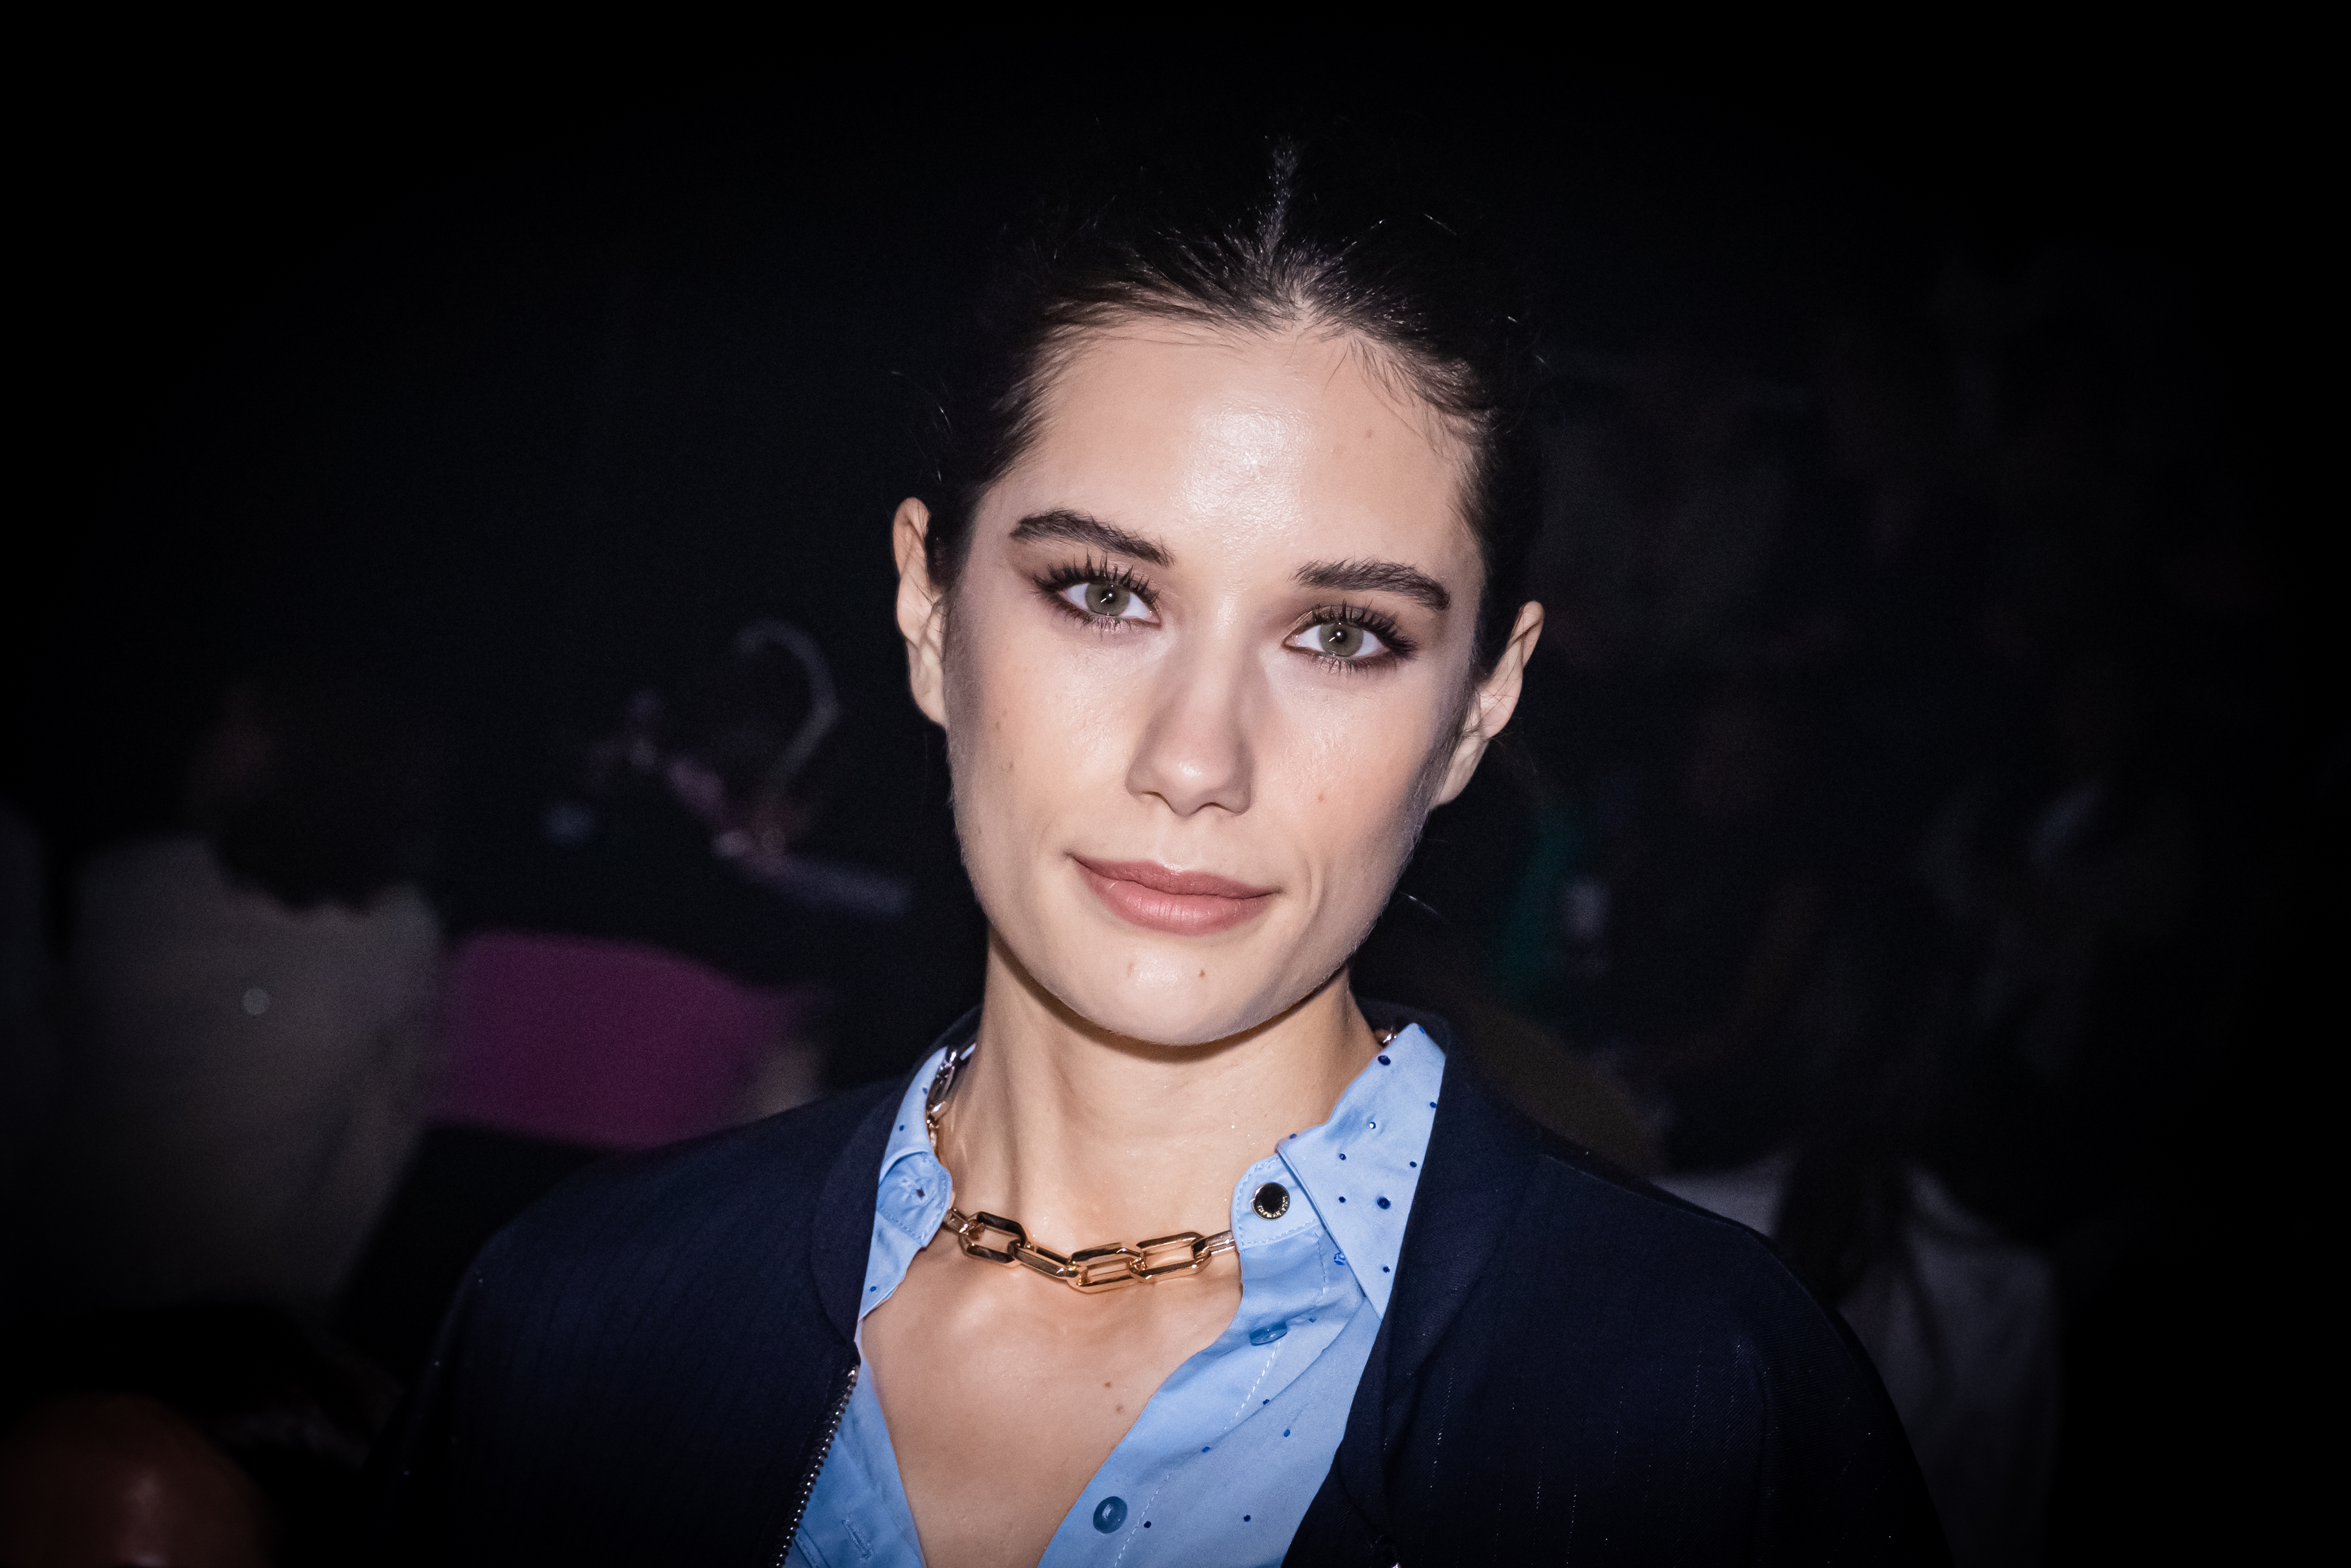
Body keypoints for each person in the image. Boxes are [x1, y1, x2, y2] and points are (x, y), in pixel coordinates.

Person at [374, 136, 1943, 1565]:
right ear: (927, 610)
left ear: (1480, 704)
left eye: (1340, 632)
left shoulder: (1706, 1413)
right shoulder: (575, 1323)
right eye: (1102, 593)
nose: (1196, 757)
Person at [35, 674, 444, 1314]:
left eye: (244, 718)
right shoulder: (120, 886)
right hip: (126, 1309)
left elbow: (380, 1139)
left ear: (306, 748)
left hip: (215, 1331)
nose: (211, 739)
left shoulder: (394, 934)